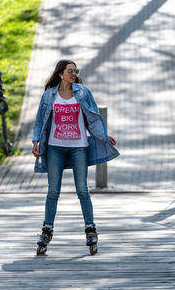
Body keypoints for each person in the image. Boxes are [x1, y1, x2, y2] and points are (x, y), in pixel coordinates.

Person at [32, 59, 120, 255]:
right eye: (70, 71)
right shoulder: (49, 96)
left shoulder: (83, 92)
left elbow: (94, 117)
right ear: (61, 74)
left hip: (79, 147)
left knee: (82, 189)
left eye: (75, 70)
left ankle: (90, 229)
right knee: (53, 191)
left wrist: (104, 136)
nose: (74, 73)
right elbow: (39, 121)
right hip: (55, 147)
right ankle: (47, 231)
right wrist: (36, 141)